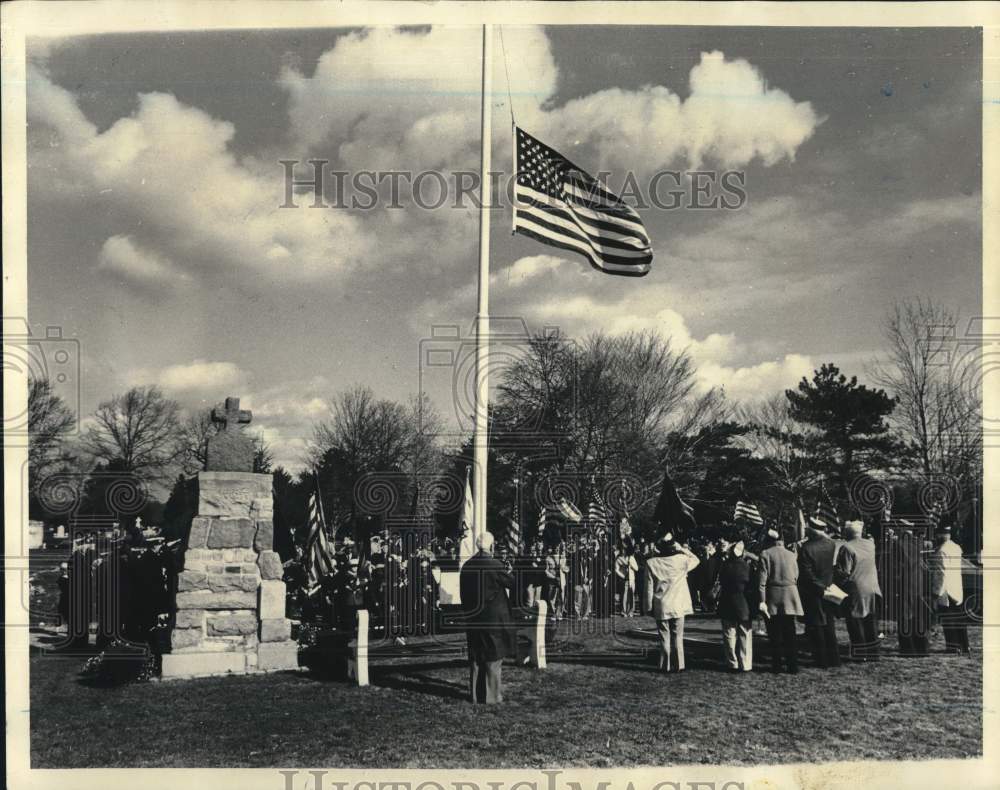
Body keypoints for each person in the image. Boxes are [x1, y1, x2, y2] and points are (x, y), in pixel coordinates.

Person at [459, 531, 517, 704]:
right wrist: (509, 571)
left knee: (476, 656)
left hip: (474, 616)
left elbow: (462, 592)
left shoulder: (467, 565)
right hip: (492, 618)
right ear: (491, 546)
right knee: (493, 655)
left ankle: (476, 695)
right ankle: (492, 696)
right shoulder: (494, 564)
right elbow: (512, 583)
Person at [644, 534, 700, 673]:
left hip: (662, 603)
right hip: (679, 603)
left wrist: (648, 607)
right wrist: (682, 548)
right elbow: (696, 560)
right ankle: (679, 665)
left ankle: (665, 665)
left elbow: (648, 588)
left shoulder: (651, 563)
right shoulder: (681, 560)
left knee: (664, 636)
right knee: (678, 636)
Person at [797, 516, 842, 669]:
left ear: (812, 530)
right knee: (829, 626)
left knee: (816, 626)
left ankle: (821, 659)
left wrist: (819, 588)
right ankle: (834, 658)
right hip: (829, 588)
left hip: (814, 591)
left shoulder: (806, 548)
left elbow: (807, 574)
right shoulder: (831, 544)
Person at [758, 527, 804, 674]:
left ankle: (777, 666)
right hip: (791, 594)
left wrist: (762, 600)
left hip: (773, 595)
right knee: (790, 632)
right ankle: (793, 666)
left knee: (774, 633)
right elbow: (796, 575)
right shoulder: (792, 555)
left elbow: (762, 582)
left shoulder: (765, 554)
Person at [836, 520, 882, 661]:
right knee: (871, 621)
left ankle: (860, 654)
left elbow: (845, 571)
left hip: (856, 588)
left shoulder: (847, 548)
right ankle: (873, 653)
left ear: (848, 533)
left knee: (856, 622)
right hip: (873, 587)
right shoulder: (870, 545)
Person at [930, 524, 969, 654]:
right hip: (957, 588)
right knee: (959, 620)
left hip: (946, 591)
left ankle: (952, 647)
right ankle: (964, 645)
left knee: (949, 621)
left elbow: (942, 574)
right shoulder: (956, 548)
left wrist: (936, 592)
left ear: (941, 535)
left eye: (937, 534)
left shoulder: (941, 551)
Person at [717, 539, 754, 672]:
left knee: (729, 634)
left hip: (727, 601)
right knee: (745, 634)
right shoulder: (747, 567)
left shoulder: (725, 565)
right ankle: (745, 663)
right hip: (744, 602)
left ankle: (732, 662)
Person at [894, 528, 931, 656]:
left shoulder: (899, 545)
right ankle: (922, 647)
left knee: (905, 617)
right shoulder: (917, 544)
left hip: (905, 585)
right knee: (917, 617)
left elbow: (896, 567)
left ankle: (907, 648)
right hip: (917, 584)